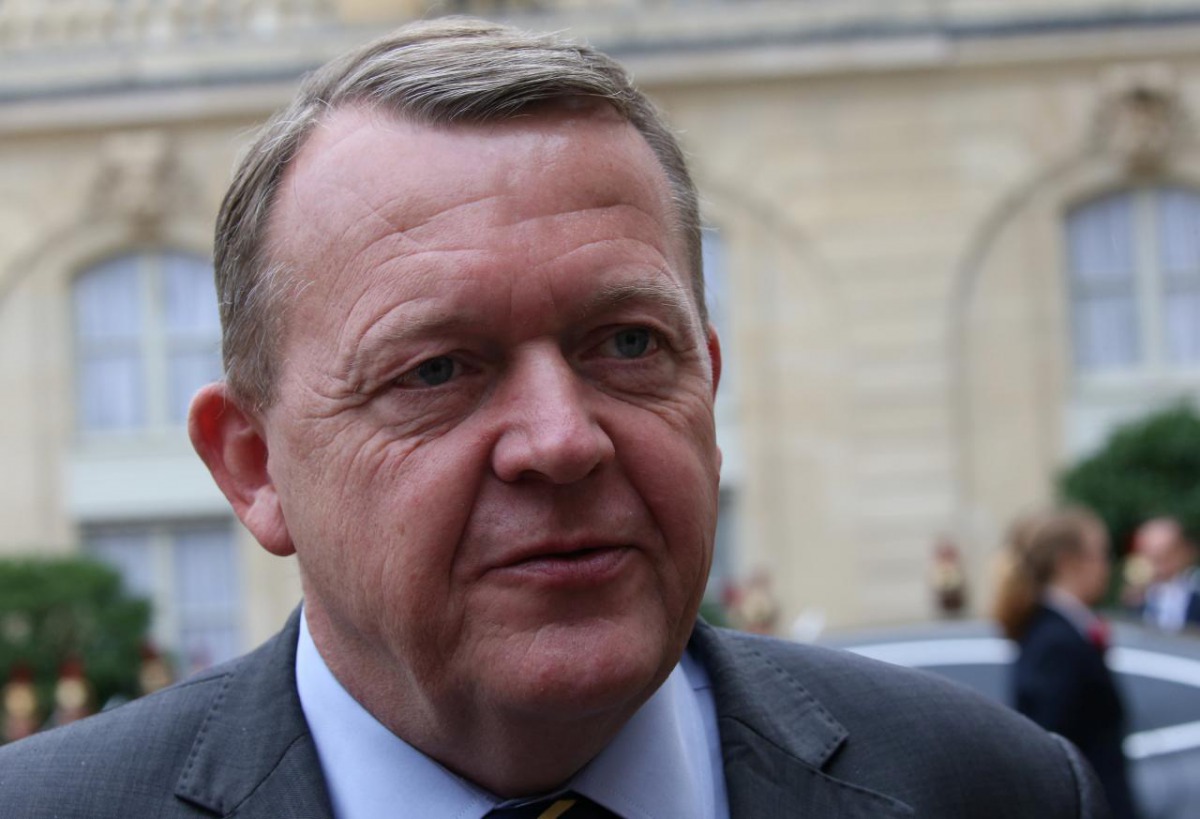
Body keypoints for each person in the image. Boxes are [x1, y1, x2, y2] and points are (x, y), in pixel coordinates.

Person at [0, 17, 1111, 819]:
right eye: (438, 370)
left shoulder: (991, 786)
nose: (563, 439)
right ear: (252, 467)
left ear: (708, 384)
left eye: (628, 345)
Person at [994, 508, 1139, 819]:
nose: (1107, 566)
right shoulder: (1056, 641)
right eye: (1101, 553)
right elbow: (1051, 752)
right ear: (1068, 562)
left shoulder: (1062, 630)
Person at [1133, 517, 1200, 632]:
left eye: (1164, 556)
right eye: (1150, 556)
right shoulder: (1135, 597)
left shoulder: (1195, 591)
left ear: (1183, 553)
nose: (1157, 566)